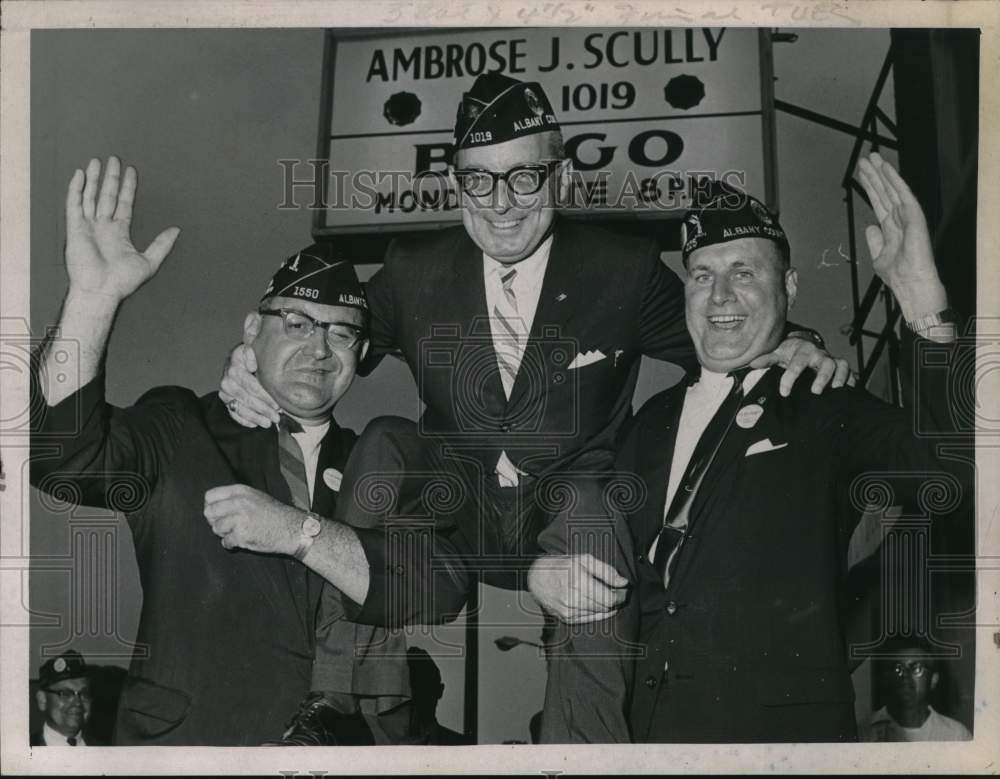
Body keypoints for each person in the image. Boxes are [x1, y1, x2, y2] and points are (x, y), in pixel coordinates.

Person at [219, 73, 848, 743]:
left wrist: (796, 342)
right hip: (453, 515)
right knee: (384, 438)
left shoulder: (623, 269)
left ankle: (583, 746)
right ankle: (339, 701)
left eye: (524, 178)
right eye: (479, 181)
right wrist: (256, 363)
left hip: (570, 517)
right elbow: (327, 337)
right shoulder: (414, 267)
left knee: (593, 505)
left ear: (563, 179)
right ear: (456, 185)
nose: (502, 204)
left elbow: (721, 334)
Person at [30, 157, 408, 745]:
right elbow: (63, 462)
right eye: (298, 323)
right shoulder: (183, 426)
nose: (320, 348)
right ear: (251, 331)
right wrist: (93, 300)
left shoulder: (372, 463)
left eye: (342, 332)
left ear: (361, 354)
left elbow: (416, 588)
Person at [607, 152, 969, 742]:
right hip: (654, 740)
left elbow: (953, 470)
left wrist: (924, 305)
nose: (719, 295)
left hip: (779, 741)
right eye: (702, 274)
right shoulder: (649, 424)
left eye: (744, 272)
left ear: (791, 287)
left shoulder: (820, 398)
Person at [864, 637, 972, 741]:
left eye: (916, 668)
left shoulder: (957, 735)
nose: (905, 676)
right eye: (898, 668)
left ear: (933, 679)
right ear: (887, 677)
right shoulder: (863, 731)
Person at [31, 650, 101, 746]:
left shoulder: (104, 752)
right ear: (42, 700)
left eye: (84, 694)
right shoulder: (23, 751)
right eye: (66, 694)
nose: (77, 702)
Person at [405, 647, 472, 745]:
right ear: (440, 691)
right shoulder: (461, 745)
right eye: (414, 686)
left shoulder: (462, 745)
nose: (417, 695)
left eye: (424, 687)